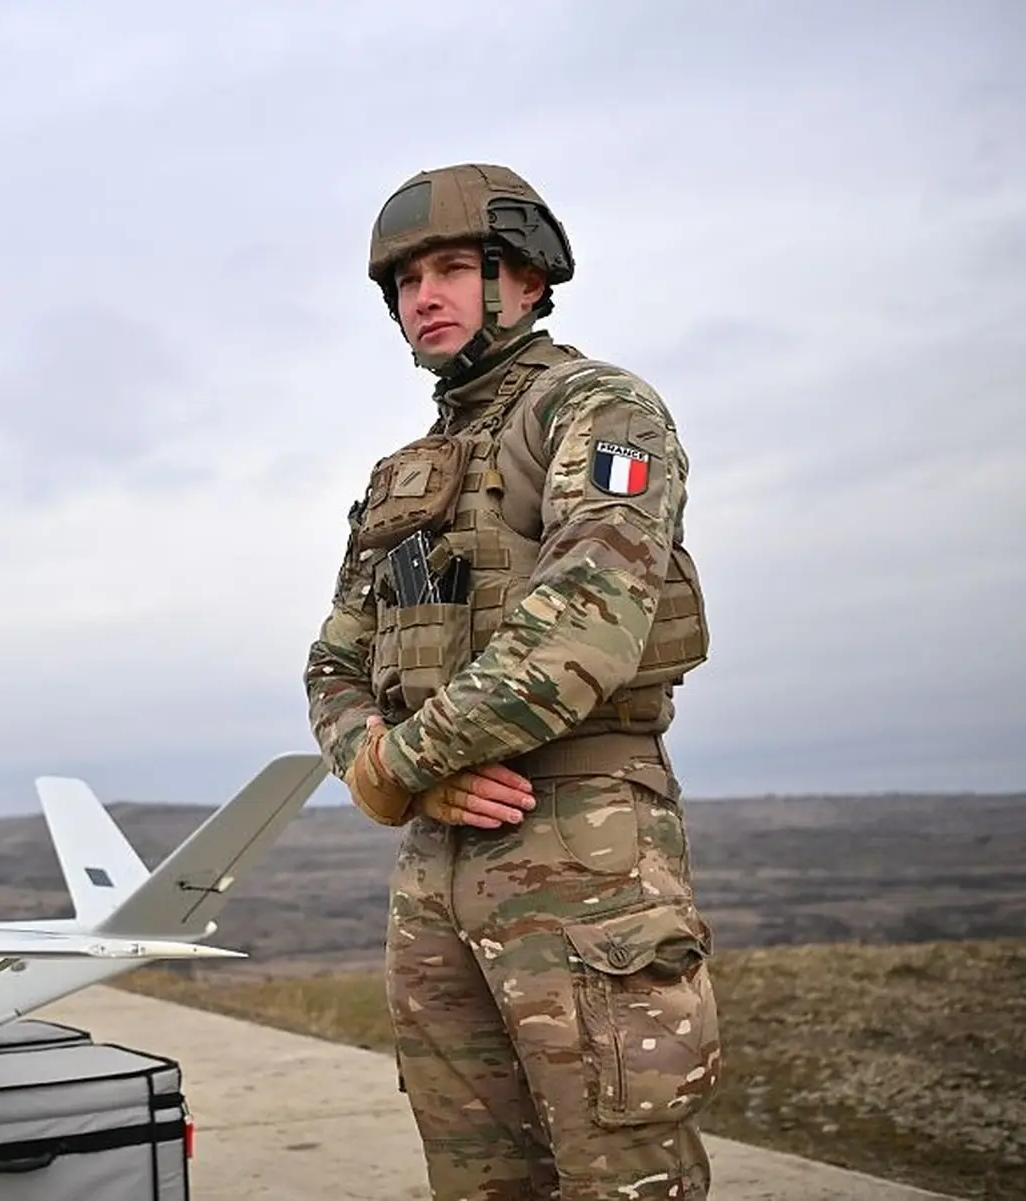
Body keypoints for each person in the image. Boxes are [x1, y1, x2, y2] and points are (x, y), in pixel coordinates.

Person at [302, 163, 721, 1200]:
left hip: (580, 839)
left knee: (622, 1170)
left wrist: (400, 764)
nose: (424, 297)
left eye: (452, 268)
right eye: (406, 281)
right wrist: (389, 775)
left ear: (526, 279)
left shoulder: (599, 409)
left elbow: (586, 618)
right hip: (436, 857)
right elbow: (334, 662)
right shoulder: (404, 472)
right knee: (477, 1177)